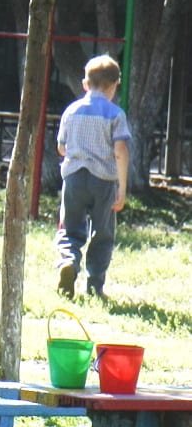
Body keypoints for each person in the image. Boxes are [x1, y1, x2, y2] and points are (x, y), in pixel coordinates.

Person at [55, 54, 131, 300]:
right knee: (102, 233)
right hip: (103, 181)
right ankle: (94, 285)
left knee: (70, 228)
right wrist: (122, 187)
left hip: (74, 179)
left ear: (85, 84)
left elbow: (61, 147)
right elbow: (120, 151)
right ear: (115, 85)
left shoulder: (71, 111)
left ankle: (68, 262)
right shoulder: (115, 114)